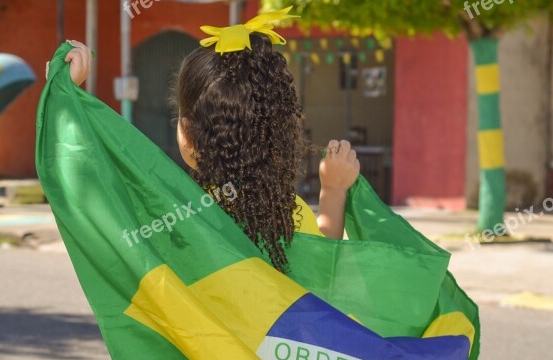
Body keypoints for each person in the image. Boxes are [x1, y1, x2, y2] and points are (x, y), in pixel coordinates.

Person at [63, 29, 360, 272]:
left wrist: (66, 100)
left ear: (188, 133)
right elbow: (323, 271)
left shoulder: (174, 217)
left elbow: (88, 202)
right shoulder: (287, 216)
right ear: (278, 134)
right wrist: (333, 191)